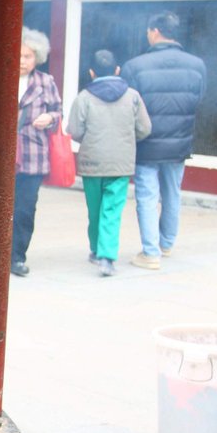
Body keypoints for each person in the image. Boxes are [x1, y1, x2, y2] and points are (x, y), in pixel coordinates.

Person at [0, 28, 62, 278]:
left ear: (37, 58)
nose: (22, 61)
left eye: (28, 56)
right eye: (18, 55)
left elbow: (57, 111)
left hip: (32, 155)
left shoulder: (46, 82)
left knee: (24, 209)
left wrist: (50, 118)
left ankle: (16, 257)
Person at [121, 10, 207, 270]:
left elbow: (128, 107)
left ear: (154, 32)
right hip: (180, 142)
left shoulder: (134, 66)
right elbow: (199, 98)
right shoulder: (197, 65)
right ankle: (167, 244)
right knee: (172, 193)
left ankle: (150, 253)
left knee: (147, 196)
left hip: (146, 143)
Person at [65, 50, 151, 278]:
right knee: (111, 211)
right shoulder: (132, 96)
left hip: (92, 163)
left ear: (91, 72)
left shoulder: (83, 97)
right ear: (117, 70)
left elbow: (74, 131)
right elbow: (145, 129)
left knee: (95, 210)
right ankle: (107, 257)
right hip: (121, 164)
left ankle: (95, 250)